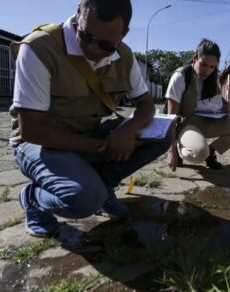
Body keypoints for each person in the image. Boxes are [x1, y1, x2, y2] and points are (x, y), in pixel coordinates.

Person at [9, 0, 173, 237]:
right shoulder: (38, 48)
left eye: (107, 45)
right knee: (85, 199)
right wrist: (104, 146)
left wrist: (126, 133)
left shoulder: (125, 56)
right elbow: (31, 130)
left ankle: (104, 185)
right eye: (86, 36)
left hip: (87, 137)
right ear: (78, 14)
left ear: (124, 35)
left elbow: (146, 106)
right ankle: (33, 199)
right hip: (38, 144)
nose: (94, 50)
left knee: (164, 132)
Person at [165, 39, 230, 171]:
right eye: (204, 65)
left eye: (212, 67)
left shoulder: (213, 77)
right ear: (195, 58)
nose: (207, 71)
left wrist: (226, 105)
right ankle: (179, 147)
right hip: (185, 124)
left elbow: (219, 99)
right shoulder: (180, 77)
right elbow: (170, 117)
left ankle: (211, 152)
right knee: (198, 153)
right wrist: (171, 151)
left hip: (206, 120)